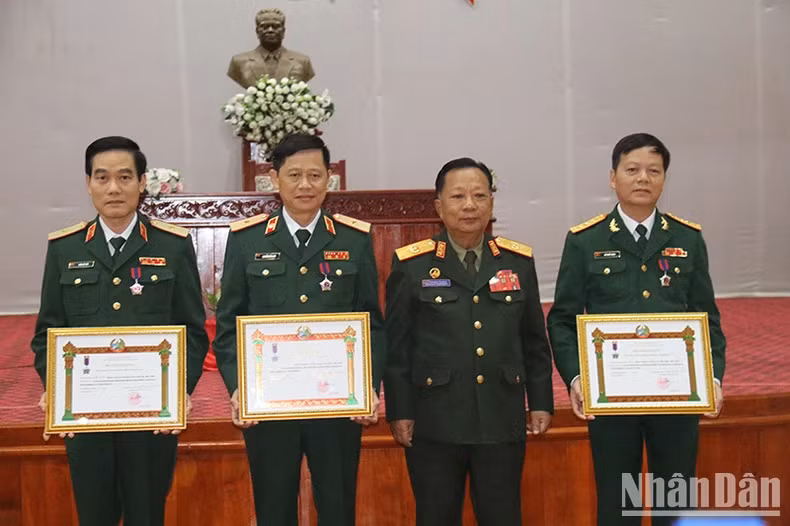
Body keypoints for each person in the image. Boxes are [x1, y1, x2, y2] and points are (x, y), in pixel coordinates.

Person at [547, 132, 726, 526]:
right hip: (612, 399)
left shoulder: (687, 239)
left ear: (664, 178)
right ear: (613, 177)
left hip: (677, 397)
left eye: (653, 171)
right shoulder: (585, 241)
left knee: (674, 500)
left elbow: (706, 316)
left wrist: (712, 377)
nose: (643, 178)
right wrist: (578, 378)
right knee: (617, 502)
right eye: (632, 170)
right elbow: (562, 318)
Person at [30, 136, 209, 526]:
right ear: (88, 184)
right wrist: (56, 387)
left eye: (125, 177)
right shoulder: (66, 248)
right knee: (95, 515)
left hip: (150, 418)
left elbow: (193, 330)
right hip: (86, 416)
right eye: (103, 177)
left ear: (142, 182)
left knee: (147, 515)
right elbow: (48, 332)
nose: (114, 188)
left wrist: (179, 390)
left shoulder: (172, 246)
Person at [213, 133, 384, 526]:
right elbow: (228, 325)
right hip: (270, 406)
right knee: (273, 509)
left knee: (338, 508)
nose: (305, 185)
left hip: (338, 406)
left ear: (329, 179)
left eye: (314, 174)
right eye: (294, 175)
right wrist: (239, 386)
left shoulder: (354, 240)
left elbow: (372, 322)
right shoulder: (247, 240)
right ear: (275, 179)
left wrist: (368, 385)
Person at [384, 158, 554, 526]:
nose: (469, 205)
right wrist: (400, 410)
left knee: (502, 516)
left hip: (500, 414)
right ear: (439, 206)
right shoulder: (412, 265)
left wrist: (541, 401)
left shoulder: (517, 261)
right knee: (436, 516)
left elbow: (533, 340)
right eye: (458, 196)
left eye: (479, 195)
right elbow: (397, 348)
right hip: (434, 421)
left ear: (491, 203)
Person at [227, 7, 315, 88]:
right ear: (257, 31)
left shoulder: (302, 61)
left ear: (283, 31)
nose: (270, 30)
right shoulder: (239, 61)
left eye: (276, 26)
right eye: (264, 27)